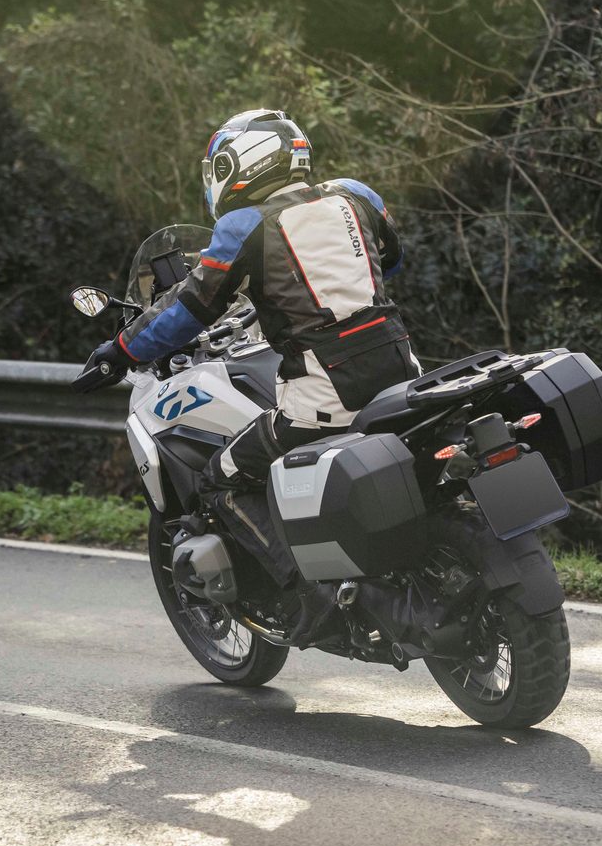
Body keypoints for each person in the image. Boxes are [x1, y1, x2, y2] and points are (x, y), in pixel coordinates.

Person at [88, 108, 419, 645]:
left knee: (222, 478)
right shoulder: (356, 196)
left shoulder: (244, 226)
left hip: (327, 394)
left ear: (238, 164)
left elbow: (189, 309)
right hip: (401, 373)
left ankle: (310, 594)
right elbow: (391, 259)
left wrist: (121, 349)